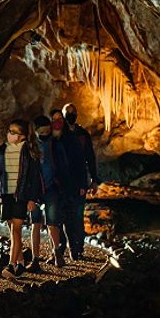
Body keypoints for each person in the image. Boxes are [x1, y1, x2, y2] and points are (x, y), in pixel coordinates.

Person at [0, 119, 43, 279]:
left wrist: (32, 199)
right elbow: (0, 172)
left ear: (22, 136)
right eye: (9, 131)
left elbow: (34, 178)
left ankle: (11, 265)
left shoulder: (30, 152)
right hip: (6, 195)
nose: (9, 134)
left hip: (21, 195)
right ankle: (21, 263)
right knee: (12, 230)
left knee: (16, 230)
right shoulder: (2, 150)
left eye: (13, 132)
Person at [29, 115, 68, 270]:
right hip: (35, 190)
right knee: (35, 224)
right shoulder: (31, 147)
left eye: (47, 131)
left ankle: (57, 254)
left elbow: (63, 166)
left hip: (51, 188)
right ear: (36, 131)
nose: (45, 134)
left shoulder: (55, 145)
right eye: (42, 132)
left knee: (52, 224)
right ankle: (35, 259)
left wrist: (62, 185)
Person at [62, 103, 100, 259]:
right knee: (66, 217)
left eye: (73, 112)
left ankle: (78, 248)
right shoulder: (59, 135)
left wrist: (94, 179)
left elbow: (90, 157)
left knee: (77, 216)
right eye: (68, 113)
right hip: (63, 182)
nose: (71, 115)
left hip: (79, 181)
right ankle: (70, 247)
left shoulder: (83, 134)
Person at [51, 117, 87, 264]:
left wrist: (82, 185)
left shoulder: (71, 143)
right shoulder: (51, 144)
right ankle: (63, 249)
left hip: (70, 187)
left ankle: (74, 249)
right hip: (57, 187)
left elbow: (80, 164)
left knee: (70, 221)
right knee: (59, 222)